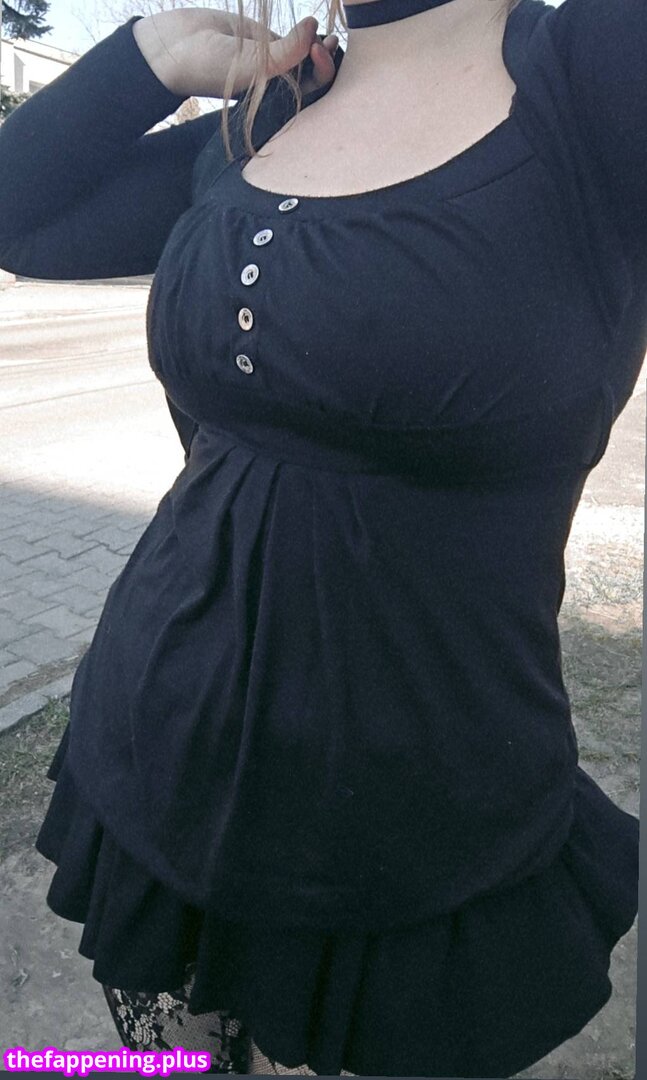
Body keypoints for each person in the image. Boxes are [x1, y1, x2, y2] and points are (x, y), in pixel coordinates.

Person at [0, 0, 642, 1074]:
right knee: (182, 1061)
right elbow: (18, 218)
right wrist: (150, 58)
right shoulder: (268, 114)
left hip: (422, 824)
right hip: (153, 757)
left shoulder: (589, 70)